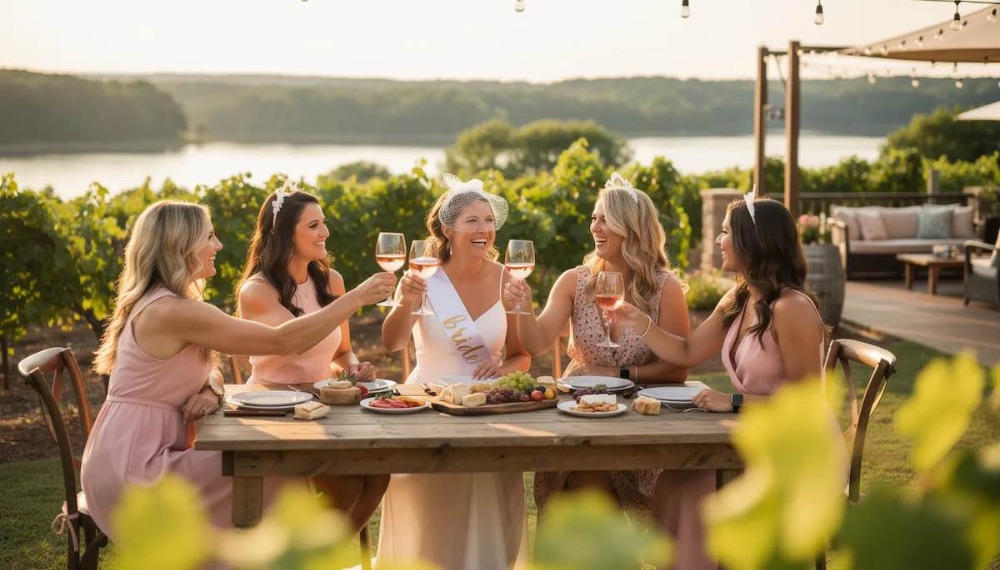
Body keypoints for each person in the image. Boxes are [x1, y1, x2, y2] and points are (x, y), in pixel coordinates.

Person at [81, 200, 396, 541]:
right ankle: (292, 558)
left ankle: (303, 558)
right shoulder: (172, 311)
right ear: (180, 245)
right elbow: (282, 341)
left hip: (140, 451)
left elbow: (207, 371)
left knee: (286, 463)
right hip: (135, 469)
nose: (218, 245)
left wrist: (211, 389)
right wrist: (356, 297)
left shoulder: (167, 304)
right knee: (274, 464)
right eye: (209, 237)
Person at [612, 194, 828, 570]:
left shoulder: (791, 308)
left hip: (792, 450)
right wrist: (639, 321)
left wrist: (734, 401)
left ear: (752, 241)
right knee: (672, 481)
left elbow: (806, 405)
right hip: (750, 438)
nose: (718, 240)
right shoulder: (740, 298)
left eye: (726, 232)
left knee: (689, 493)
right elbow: (687, 351)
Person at [502, 172, 691, 520]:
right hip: (581, 411)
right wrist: (522, 307)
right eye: (594, 218)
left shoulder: (665, 288)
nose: (595, 228)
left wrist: (614, 373)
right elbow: (536, 342)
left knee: (593, 482)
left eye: (605, 220)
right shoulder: (574, 281)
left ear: (631, 228)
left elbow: (677, 370)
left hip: (640, 417)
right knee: (584, 477)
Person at [377, 174, 530, 570]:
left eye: (489, 220)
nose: (484, 230)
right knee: (431, 509)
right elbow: (392, 343)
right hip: (428, 404)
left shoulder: (508, 279)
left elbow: (521, 356)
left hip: (488, 407)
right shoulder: (424, 277)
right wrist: (405, 300)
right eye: (472, 221)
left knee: (487, 489)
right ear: (447, 229)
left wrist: (502, 367)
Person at [236, 185, 389, 532]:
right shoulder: (257, 290)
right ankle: (315, 555)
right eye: (314, 225)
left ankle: (324, 556)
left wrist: (352, 368)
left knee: (379, 475)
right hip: (275, 410)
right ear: (285, 234)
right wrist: (355, 298)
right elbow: (296, 343)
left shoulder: (331, 280)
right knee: (347, 485)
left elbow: (340, 351)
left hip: (323, 407)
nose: (325, 233)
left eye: (324, 223)